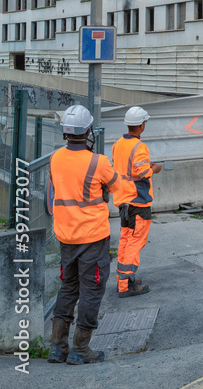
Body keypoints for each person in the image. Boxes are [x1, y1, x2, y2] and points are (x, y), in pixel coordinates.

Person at [48, 104, 122, 365]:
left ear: (66, 132)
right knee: (91, 291)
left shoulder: (55, 158)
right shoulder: (98, 161)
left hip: (66, 237)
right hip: (92, 238)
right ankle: (81, 349)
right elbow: (117, 185)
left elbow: (53, 193)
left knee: (68, 288)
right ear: (88, 130)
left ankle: (58, 348)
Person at [112, 106, 162, 297]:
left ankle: (123, 279)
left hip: (123, 200)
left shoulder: (118, 144)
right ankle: (126, 285)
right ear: (141, 125)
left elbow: (127, 169)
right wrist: (154, 169)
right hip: (138, 202)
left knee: (126, 240)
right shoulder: (139, 147)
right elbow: (142, 172)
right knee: (135, 242)